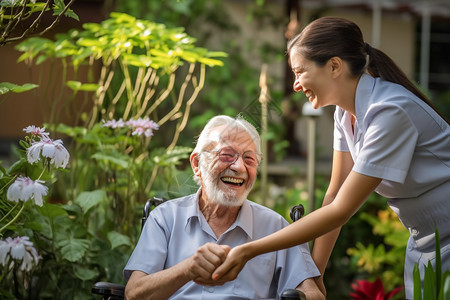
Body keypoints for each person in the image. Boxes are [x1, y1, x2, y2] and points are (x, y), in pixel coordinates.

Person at [211, 17, 450, 299]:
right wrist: (315, 274)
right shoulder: (344, 114)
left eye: (300, 72)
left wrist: (249, 249)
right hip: (425, 240)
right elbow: (334, 194)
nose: (296, 85)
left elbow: (342, 210)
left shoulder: (390, 111)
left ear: (335, 66)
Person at [124, 115, 324, 300]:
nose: (239, 167)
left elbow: (311, 293)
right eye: (226, 155)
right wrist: (187, 270)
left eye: (249, 159)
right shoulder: (165, 218)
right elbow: (134, 294)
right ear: (196, 164)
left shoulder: (276, 227)